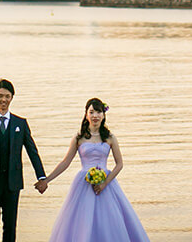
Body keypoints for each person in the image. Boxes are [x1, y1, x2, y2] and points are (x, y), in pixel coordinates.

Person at [41, 98, 150, 242]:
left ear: (103, 115)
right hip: (83, 184)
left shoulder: (110, 138)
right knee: (83, 223)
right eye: (91, 112)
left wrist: (105, 183)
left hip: (107, 184)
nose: (95, 116)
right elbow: (65, 162)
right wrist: (47, 179)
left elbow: (119, 164)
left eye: (98, 112)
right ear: (86, 115)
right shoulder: (78, 137)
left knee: (109, 222)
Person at [0, 78, 47, 242]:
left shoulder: (20, 123)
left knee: (10, 225)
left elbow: (32, 151)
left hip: (12, 183)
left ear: (12, 98)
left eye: (7, 96)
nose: (4, 100)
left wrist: (41, 177)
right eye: (0, 96)